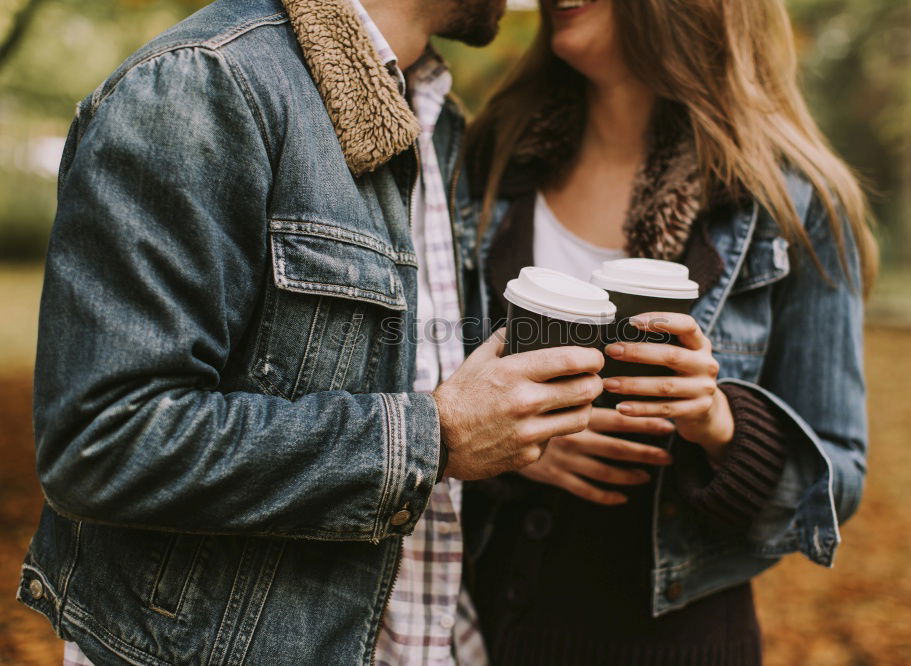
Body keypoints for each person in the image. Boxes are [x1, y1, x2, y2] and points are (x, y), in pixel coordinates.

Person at [17, 0, 609, 664]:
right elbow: (104, 440)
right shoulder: (202, 85)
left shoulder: (438, 121)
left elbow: (398, 387)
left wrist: (512, 434)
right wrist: (434, 437)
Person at [462, 0, 878, 663]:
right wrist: (507, 449)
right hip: (476, 632)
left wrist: (719, 422)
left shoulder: (796, 205)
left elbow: (840, 479)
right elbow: (413, 393)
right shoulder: (483, 160)